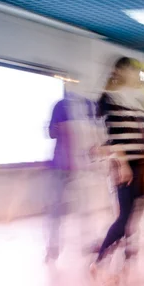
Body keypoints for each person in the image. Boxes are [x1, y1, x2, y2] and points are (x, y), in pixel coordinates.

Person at [90, 57, 144, 286]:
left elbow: (141, 134)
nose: (137, 75)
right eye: (134, 71)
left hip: (142, 166)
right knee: (124, 218)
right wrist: (123, 163)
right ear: (121, 71)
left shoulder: (136, 100)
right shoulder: (108, 99)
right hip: (124, 168)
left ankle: (128, 268)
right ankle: (99, 263)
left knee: (132, 220)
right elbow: (111, 138)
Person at [45, 84, 96, 262]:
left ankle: (82, 243)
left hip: (76, 166)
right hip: (63, 165)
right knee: (59, 209)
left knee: (80, 207)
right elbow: (52, 132)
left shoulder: (84, 107)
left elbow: (52, 132)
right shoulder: (61, 106)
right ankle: (53, 246)